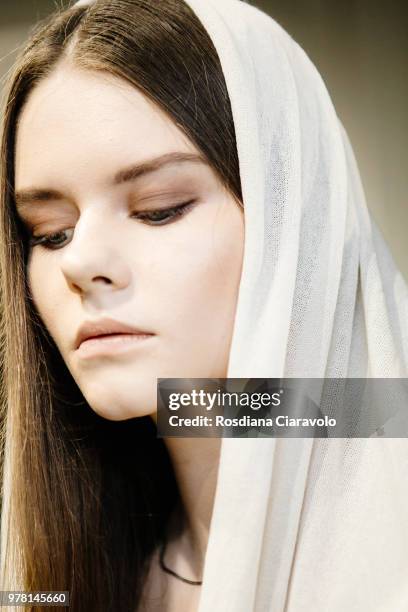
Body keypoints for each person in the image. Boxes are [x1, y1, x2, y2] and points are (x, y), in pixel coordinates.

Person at [1, 0, 407, 611]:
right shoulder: (58, 575)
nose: (79, 263)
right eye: (51, 231)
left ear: (294, 224)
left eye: (158, 208)